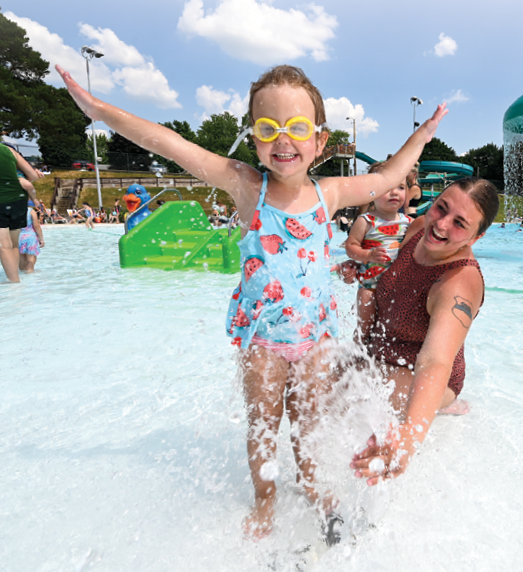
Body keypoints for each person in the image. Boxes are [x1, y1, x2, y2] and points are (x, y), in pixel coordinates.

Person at [55, 61, 448, 542]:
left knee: (309, 425)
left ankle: (313, 485)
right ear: (254, 136)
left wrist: (423, 137)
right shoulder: (246, 186)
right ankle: (265, 499)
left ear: (320, 142)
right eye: (268, 127)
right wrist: (97, 109)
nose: (283, 140)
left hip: (315, 339)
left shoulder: (331, 193)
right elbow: (169, 143)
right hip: (262, 338)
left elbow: (389, 175)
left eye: (297, 128)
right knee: (264, 423)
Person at [350, 177, 499, 486]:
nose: (441, 225)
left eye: (460, 223)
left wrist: (407, 439)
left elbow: (434, 363)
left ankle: (441, 404)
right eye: (441, 208)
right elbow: (385, 268)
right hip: (378, 352)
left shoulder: (459, 282)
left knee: (354, 394)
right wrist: (360, 270)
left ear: (477, 236)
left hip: (422, 375)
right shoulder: (419, 227)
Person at [345, 163, 411, 340]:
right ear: (371, 192)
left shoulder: (409, 223)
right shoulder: (366, 221)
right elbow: (351, 246)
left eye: (401, 187)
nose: (395, 192)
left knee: (390, 332)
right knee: (364, 330)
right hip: (370, 287)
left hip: (397, 288)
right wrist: (367, 255)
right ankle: (357, 356)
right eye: (387, 188)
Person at [0, 143, 43, 283]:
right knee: (13, 245)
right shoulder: (10, 151)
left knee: (3, 245)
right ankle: (17, 282)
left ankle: (14, 284)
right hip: (19, 202)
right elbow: (33, 177)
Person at [19, 201, 45, 272]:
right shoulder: (31, 211)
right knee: (30, 260)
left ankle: (22, 279)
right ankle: (30, 278)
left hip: (19, 237)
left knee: (21, 260)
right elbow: (36, 226)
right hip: (30, 237)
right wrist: (41, 239)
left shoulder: (14, 210)